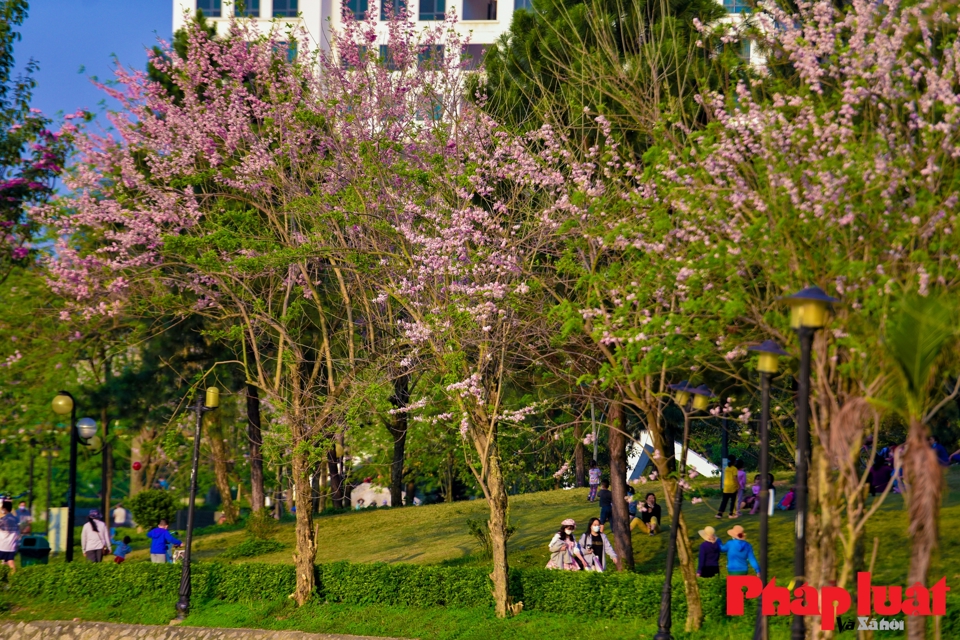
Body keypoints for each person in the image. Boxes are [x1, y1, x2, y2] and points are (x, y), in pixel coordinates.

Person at [0, 501, 20, 574]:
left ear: (4, 509)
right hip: (11, 546)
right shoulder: (16, 519)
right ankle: (13, 579)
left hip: (2, 546)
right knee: (10, 562)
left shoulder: (3, 520)